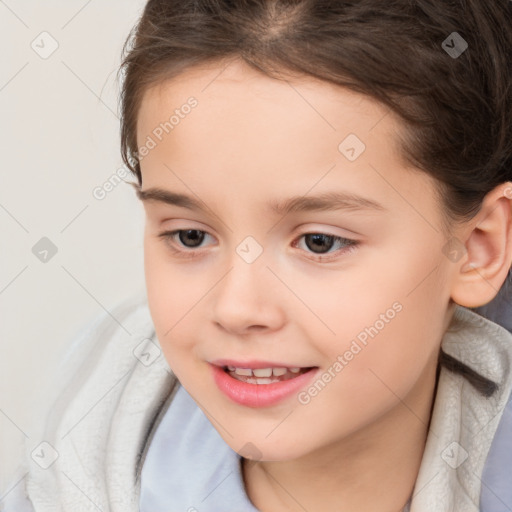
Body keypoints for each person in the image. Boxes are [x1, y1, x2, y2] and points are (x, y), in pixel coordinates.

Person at [2, 0, 512, 510]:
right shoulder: (76, 450)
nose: (237, 309)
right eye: (190, 236)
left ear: (478, 248)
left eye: (320, 242)